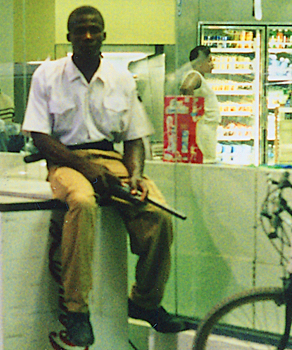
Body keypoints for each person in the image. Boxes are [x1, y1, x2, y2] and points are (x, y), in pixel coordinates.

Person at [21, 6, 185, 348]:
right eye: (80, 31)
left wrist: (136, 176)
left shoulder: (121, 77)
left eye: (94, 30)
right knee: (82, 202)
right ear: (68, 37)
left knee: (157, 213)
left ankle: (144, 302)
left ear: (104, 35)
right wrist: (88, 170)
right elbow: (40, 136)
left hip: (112, 159)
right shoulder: (47, 75)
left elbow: (135, 136)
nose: (87, 36)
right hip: (65, 161)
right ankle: (77, 310)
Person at [180, 45, 221, 163]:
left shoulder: (198, 77)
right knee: (206, 161)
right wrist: (191, 114)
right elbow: (187, 87)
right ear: (200, 61)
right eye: (209, 60)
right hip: (203, 129)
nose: (211, 64)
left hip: (205, 128)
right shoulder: (194, 75)